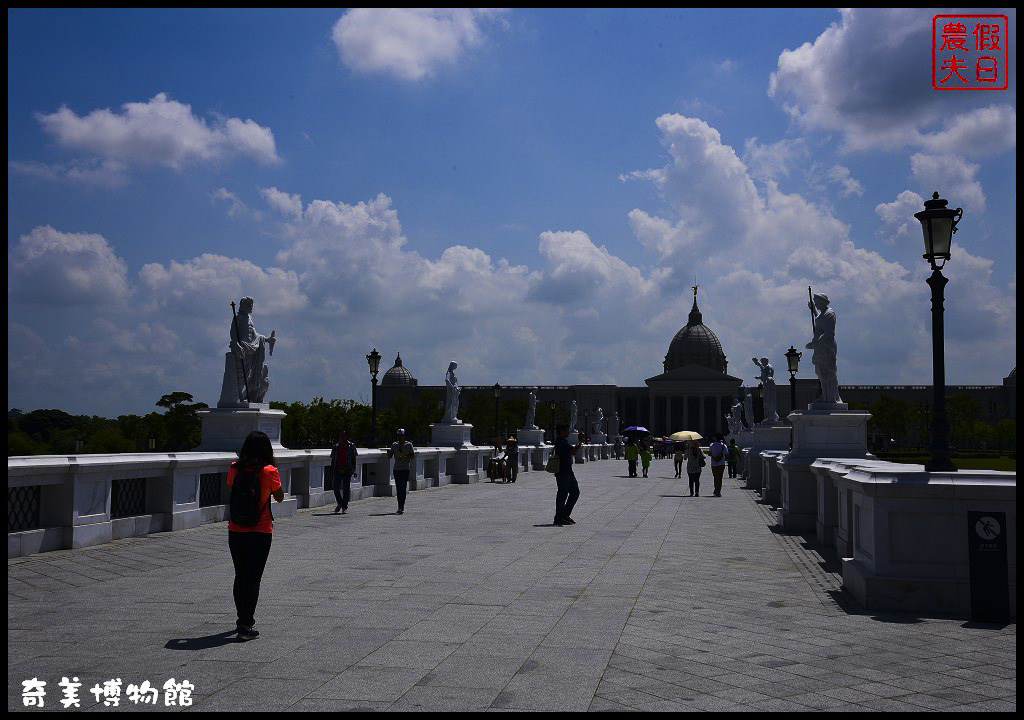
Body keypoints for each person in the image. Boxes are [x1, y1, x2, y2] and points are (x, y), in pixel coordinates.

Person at [227, 430, 285, 641]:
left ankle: (240, 618)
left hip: (236, 529)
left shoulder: (234, 469)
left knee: (240, 575)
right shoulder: (269, 471)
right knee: (253, 577)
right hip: (260, 531)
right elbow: (279, 498)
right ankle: (246, 624)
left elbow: (233, 490)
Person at [553, 424, 582, 525]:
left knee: (575, 492)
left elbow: (572, 452)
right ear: (561, 431)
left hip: (568, 471)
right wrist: (580, 442)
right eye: (566, 430)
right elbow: (573, 451)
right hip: (562, 473)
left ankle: (564, 515)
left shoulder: (564, 441)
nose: (568, 433)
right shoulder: (560, 442)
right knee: (562, 494)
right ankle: (559, 517)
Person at [329, 429, 358, 514]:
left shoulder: (351, 446)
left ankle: (344, 506)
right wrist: (331, 471)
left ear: (346, 437)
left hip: (347, 469)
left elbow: (354, 459)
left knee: (346, 489)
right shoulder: (336, 446)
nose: (342, 438)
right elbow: (333, 459)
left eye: (344, 436)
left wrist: (354, 470)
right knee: (335, 488)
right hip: (337, 469)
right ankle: (340, 503)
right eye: (341, 436)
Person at [387, 429, 415, 514]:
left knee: (403, 488)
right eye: (398, 436)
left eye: (401, 436)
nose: (399, 437)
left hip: (405, 469)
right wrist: (388, 453)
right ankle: (400, 506)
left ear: (404, 436)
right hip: (397, 469)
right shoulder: (394, 445)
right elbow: (390, 456)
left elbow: (413, 455)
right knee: (399, 489)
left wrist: (407, 457)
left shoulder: (409, 445)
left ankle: (402, 506)